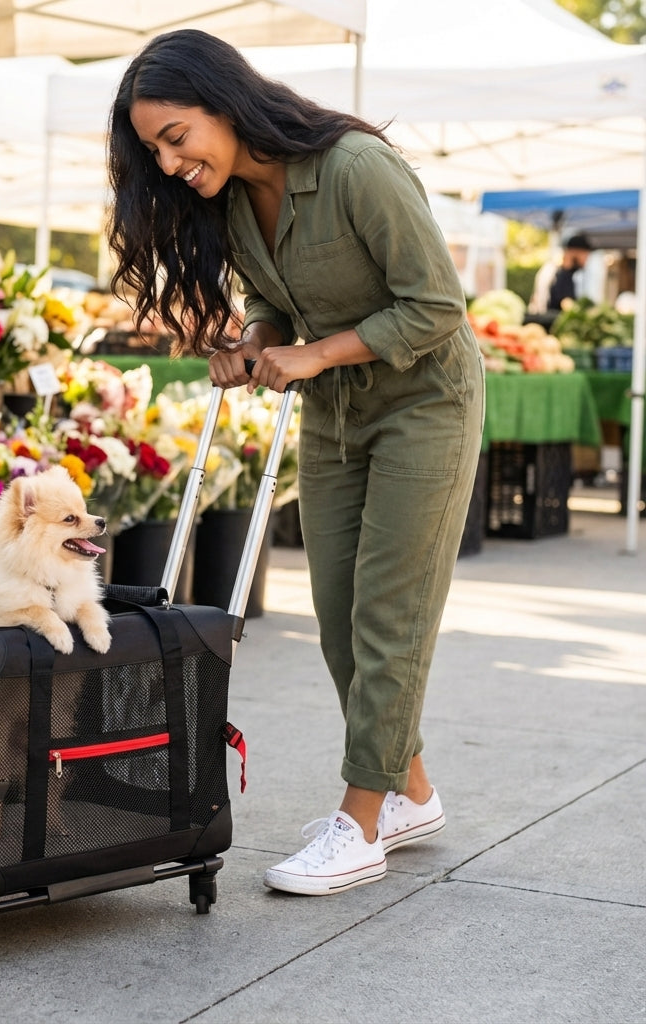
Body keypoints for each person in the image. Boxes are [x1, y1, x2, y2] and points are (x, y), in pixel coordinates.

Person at [106, 30, 484, 896]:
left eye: (175, 137)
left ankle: (359, 823)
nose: (168, 164)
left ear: (225, 103)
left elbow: (435, 306)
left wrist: (313, 356)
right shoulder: (239, 200)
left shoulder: (355, 168)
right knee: (336, 608)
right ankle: (411, 794)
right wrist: (256, 340)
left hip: (425, 403)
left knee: (389, 614)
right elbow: (273, 301)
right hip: (336, 413)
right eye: (154, 149)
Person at [528, 233, 593, 317]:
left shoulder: (568, 273)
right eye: (585, 255)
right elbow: (562, 302)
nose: (586, 260)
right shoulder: (553, 272)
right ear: (574, 252)